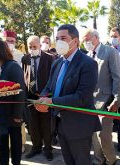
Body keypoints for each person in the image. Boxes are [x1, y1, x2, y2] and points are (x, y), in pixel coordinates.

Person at [35, 24, 101, 165]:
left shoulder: (88, 64)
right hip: (60, 123)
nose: (59, 42)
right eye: (57, 38)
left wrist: (51, 101)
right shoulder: (57, 63)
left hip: (79, 126)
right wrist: (42, 99)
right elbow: (49, 86)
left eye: (63, 38)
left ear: (75, 41)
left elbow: (81, 97)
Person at [83, 29, 120, 165]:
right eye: (84, 40)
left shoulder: (110, 52)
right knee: (94, 135)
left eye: (87, 39)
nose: (85, 43)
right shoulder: (88, 55)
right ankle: (98, 160)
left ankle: (111, 161)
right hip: (90, 102)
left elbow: (117, 77)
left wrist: (116, 100)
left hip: (106, 101)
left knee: (104, 136)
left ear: (96, 38)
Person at [0, 39, 26, 165]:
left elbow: (20, 92)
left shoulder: (13, 66)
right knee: (3, 144)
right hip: (2, 115)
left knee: (15, 144)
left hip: (12, 115)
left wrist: (17, 116)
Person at [22, 35, 54, 161]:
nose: (32, 49)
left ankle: (48, 149)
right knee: (33, 125)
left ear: (40, 46)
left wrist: (47, 95)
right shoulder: (25, 58)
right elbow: (25, 75)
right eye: (30, 47)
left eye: (34, 46)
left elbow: (52, 78)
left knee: (46, 125)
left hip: (45, 97)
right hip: (31, 97)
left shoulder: (50, 58)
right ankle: (36, 148)